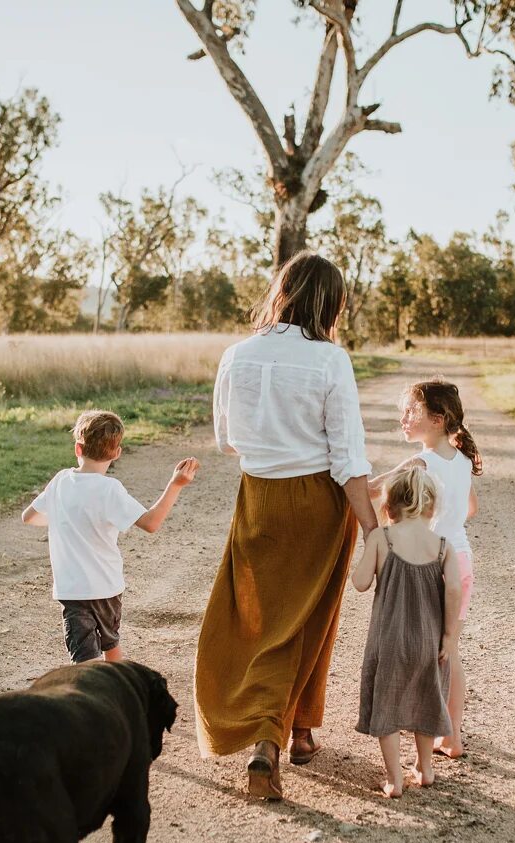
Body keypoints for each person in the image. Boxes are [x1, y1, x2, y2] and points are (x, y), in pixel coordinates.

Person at [195, 250, 380, 801]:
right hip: (318, 500)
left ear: (282, 292)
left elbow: (226, 441)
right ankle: (272, 740)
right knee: (310, 618)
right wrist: (373, 530)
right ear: (329, 304)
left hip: (258, 496)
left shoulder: (236, 355)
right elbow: (348, 457)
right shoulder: (330, 360)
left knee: (259, 620)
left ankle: (298, 728)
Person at [24, 409, 199, 663]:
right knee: (111, 645)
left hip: (73, 591)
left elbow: (29, 517)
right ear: (117, 453)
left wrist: (64, 516)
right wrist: (175, 484)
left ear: (77, 448)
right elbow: (151, 523)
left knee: (85, 661)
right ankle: (119, 686)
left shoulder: (61, 480)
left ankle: (93, 688)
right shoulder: (110, 489)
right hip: (107, 587)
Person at [369, 377, 481, 758]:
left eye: (411, 411)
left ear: (437, 419)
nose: (403, 418)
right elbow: (471, 508)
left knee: (423, 650)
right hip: (462, 560)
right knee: (449, 650)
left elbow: (374, 490)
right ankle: (452, 736)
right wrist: (448, 517)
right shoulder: (462, 461)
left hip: (435, 565)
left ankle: (422, 723)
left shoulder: (422, 462)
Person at [351, 466, 463, 798]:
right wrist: (448, 636)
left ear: (388, 507)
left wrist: (369, 550)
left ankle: (394, 779)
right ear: (431, 508)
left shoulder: (381, 538)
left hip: (388, 642)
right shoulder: (442, 546)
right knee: (427, 699)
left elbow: (360, 583)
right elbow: (454, 589)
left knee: (386, 704)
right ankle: (425, 768)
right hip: (429, 641)